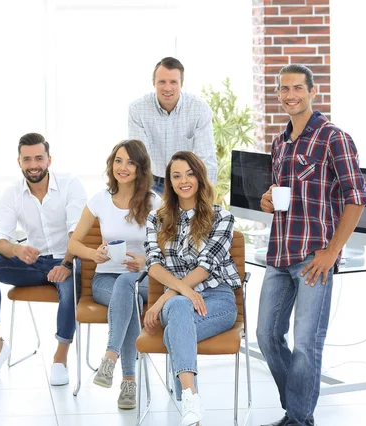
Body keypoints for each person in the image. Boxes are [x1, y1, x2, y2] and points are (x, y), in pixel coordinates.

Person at [256, 64, 366, 426]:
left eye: (297, 88)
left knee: (306, 343)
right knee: (267, 335)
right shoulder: (279, 142)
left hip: (313, 257)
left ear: (312, 91)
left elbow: (357, 198)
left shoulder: (334, 137)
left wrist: (332, 251)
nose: (290, 95)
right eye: (284, 89)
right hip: (279, 252)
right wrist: (267, 199)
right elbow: (281, 191)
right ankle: (298, 410)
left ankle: (299, 419)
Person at [0, 133, 86, 385]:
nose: (33, 165)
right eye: (27, 159)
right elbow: (1, 240)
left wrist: (66, 263)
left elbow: (77, 232)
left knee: (70, 291)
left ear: (49, 159)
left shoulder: (70, 184)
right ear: (19, 162)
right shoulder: (12, 194)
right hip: (33, 263)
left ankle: (60, 359)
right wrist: (17, 251)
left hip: (67, 258)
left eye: (39, 158)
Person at [144, 151, 240, 426]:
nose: (183, 180)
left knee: (176, 321)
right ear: (170, 183)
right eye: (176, 176)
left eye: (189, 174)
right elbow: (153, 264)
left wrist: (165, 298)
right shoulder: (156, 218)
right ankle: (191, 397)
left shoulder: (222, 217)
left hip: (217, 300)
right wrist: (182, 293)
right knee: (179, 307)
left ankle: (189, 404)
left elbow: (206, 266)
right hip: (177, 304)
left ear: (199, 177)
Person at [68, 139, 160, 409]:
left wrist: (145, 260)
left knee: (129, 287)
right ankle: (128, 382)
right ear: (112, 165)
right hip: (105, 279)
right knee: (126, 291)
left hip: (146, 280)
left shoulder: (154, 202)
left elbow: (171, 248)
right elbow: (73, 243)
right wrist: (91, 254)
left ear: (140, 167)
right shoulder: (100, 200)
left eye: (130, 162)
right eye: (118, 161)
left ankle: (110, 357)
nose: (123, 167)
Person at [128, 57, 218, 194]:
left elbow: (206, 158)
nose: (167, 88)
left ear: (181, 83)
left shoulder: (199, 109)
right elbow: (139, 157)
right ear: (154, 83)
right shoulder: (138, 109)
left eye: (173, 82)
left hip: (186, 183)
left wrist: (206, 197)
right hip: (151, 182)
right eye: (162, 82)